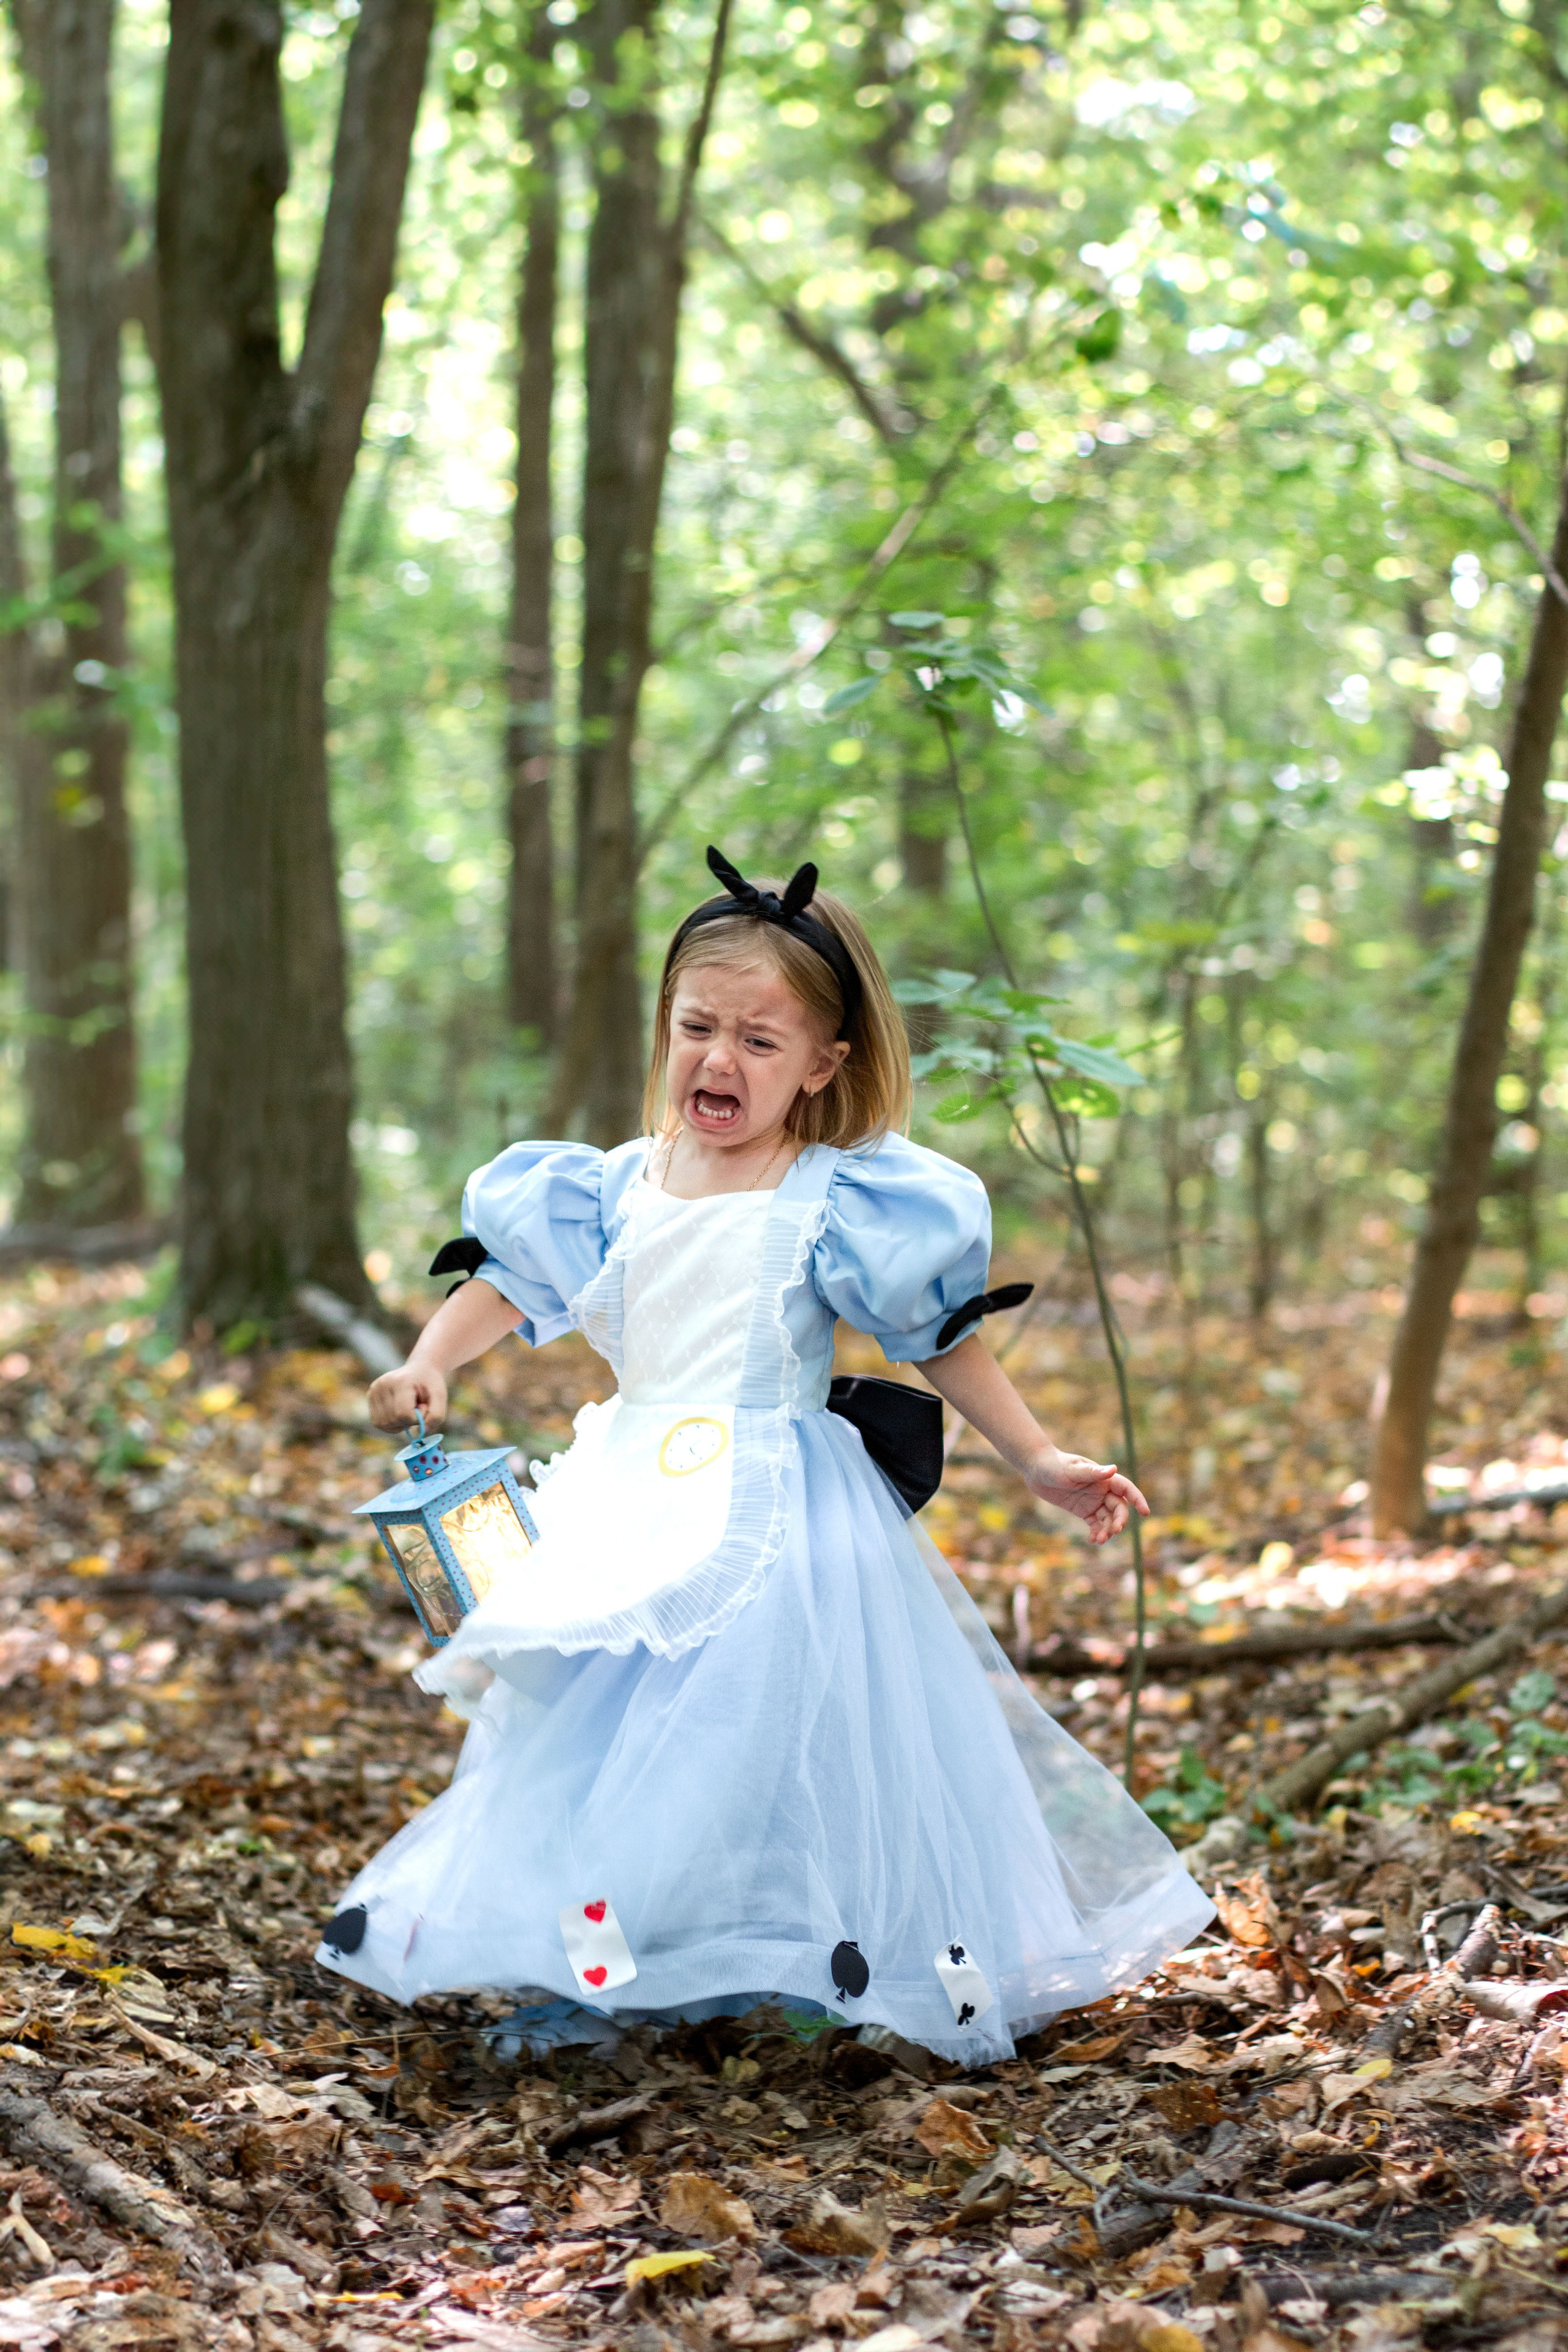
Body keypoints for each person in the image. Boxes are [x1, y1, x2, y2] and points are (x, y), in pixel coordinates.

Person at [318, 848, 1212, 2062]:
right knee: (586, 1748)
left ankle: (787, 1955)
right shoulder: (608, 1189)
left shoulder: (834, 1199)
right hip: (623, 1501)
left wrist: (1038, 1458)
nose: (718, 1061)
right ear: (665, 1027)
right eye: (697, 1028)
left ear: (821, 1065)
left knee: (754, 1756)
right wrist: (431, 1360)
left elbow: (938, 1341)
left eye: (758, 1041)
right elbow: (508, 1284)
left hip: (775, 1510)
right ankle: (601, 1970)